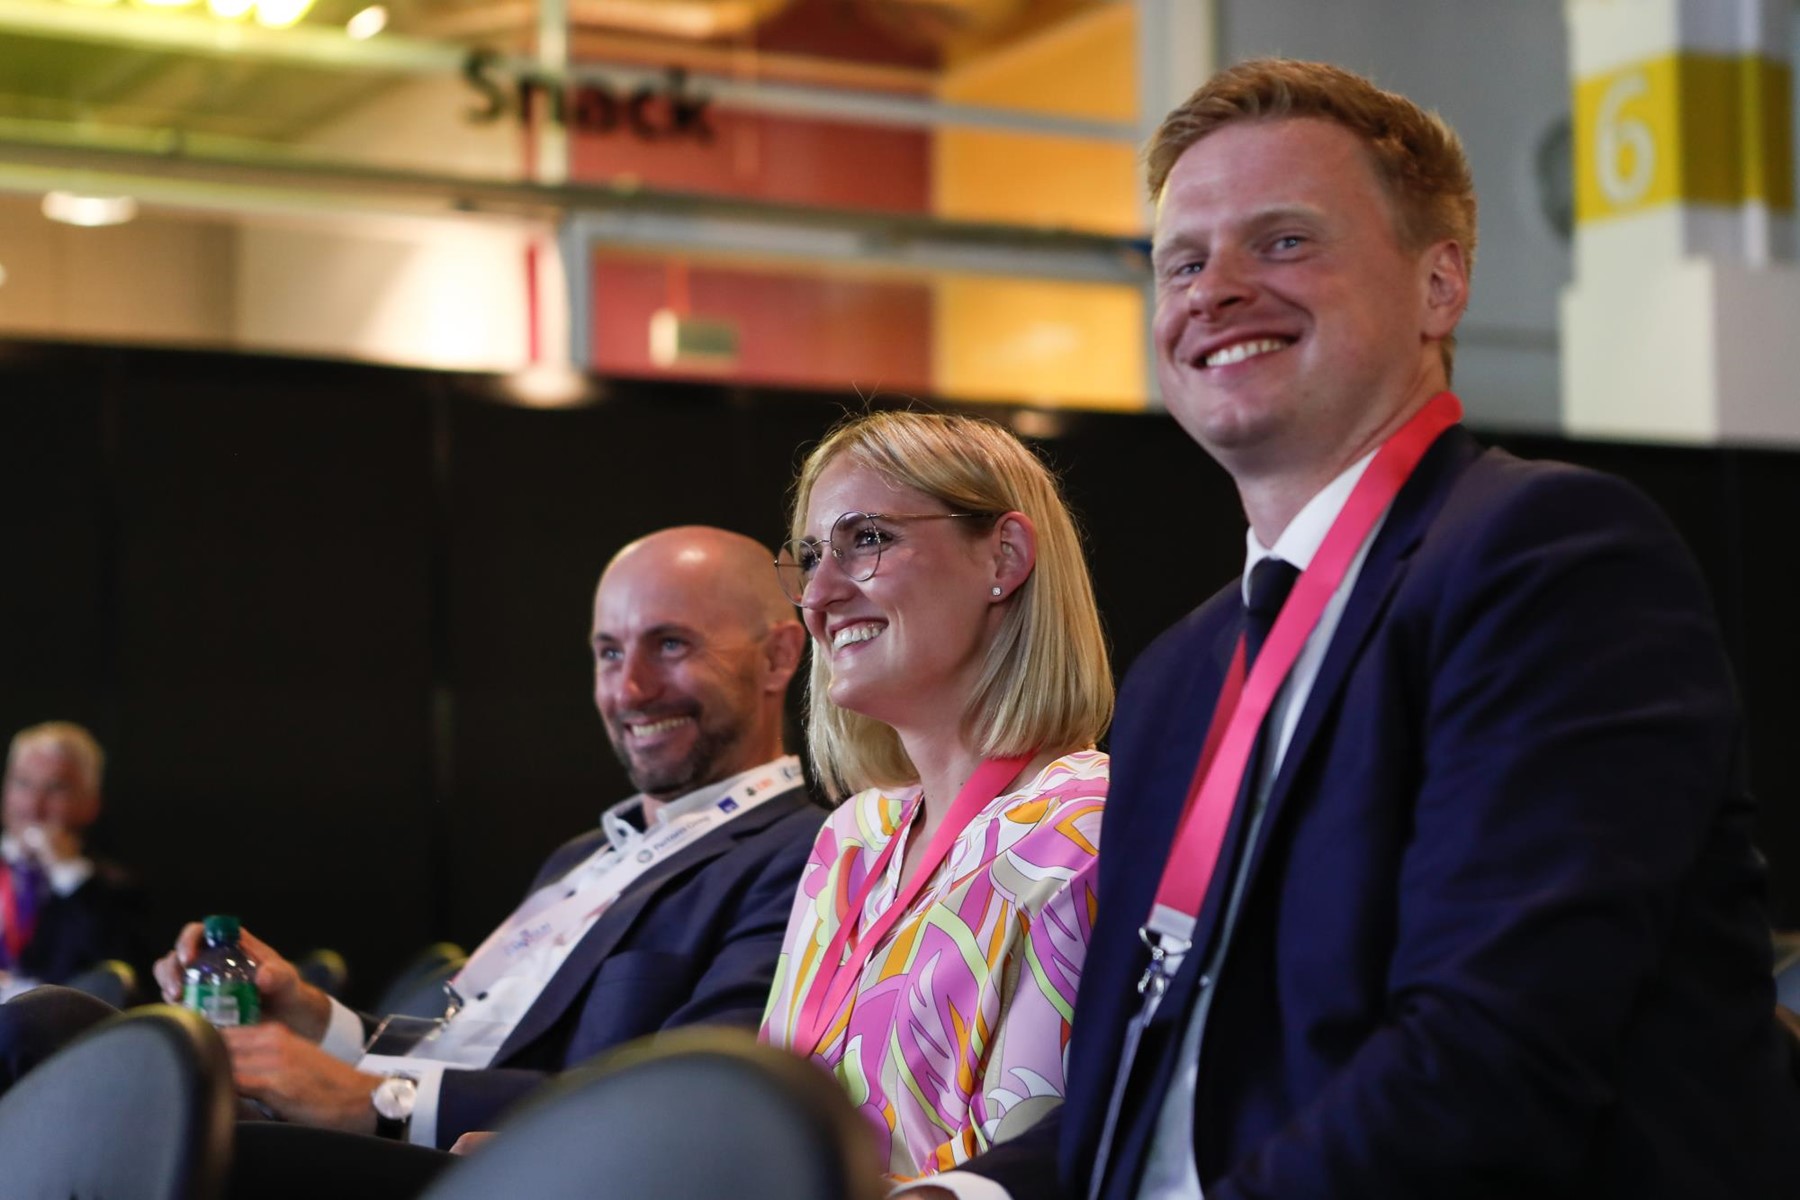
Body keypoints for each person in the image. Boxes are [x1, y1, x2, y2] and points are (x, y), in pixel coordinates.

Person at [921, 58, 1799, 1200]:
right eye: (1183, 262)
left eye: (1283, 241)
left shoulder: (1550, 560)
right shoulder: (1180, 676)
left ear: (1440, 285)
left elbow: (1491, 1060)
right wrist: (965, 1193)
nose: (1215, 291)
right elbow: (1145, 1097)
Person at [1, 526, 825, 1193]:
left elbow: (685, 1106)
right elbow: (473, 1044)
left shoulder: (801, 856)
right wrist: (312, 1019)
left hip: (491, 1167)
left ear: (779, 658)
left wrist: (377, 1101)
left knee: (68, 1051)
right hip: (403, 1135)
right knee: (50, 1026)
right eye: (609, 653)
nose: (629, 689)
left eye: (671, 645)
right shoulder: (581, 856)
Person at [759, 410, 1112, 1181]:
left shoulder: (1082, 829)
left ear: (1005, 556)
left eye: (867, 539)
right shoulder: (853, 835)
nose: (818, 595)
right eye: (811, 556)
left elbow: (1021, 1171)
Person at [0, 722, 146, 1000]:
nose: (33, 806)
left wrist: (68, 873)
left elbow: (118, 980)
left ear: (91, 803)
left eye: (56, 788)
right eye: (22, 783)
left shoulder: (115, 889)